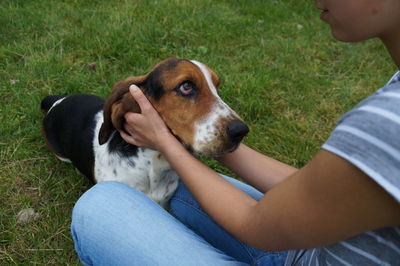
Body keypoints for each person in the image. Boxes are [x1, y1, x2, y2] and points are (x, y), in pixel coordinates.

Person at [71, 0, 400, 265]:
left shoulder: (388, 118)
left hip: (290, 242)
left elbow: (256, 224)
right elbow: (326, 197)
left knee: (102, 203)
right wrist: (209, 141)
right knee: (182, 188)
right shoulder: (392, 92)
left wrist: (167, 145)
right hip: (314, 245)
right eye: (187, 88)